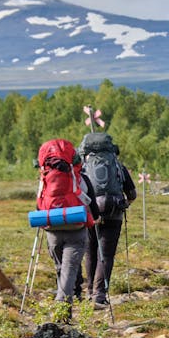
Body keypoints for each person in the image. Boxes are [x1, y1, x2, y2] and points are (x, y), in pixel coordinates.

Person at [35, 138, 98, 322]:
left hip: (52, 229)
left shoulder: (44, 178)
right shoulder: (80, 177)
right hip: (76, 228)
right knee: (69, 269)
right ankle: (62, 310)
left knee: (61, 268)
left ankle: (63, 306)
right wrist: (94, 218)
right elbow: (92, 205)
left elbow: (39, 204)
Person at [77, 131, 137, 310]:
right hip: (113, 212)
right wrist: (125, 203)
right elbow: (132, 194)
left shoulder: (83, 167)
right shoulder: (118, 166)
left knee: (90, 252)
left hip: (89, 213)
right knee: (106, 254)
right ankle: (100, 295)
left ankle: (89, 292)